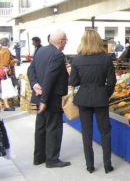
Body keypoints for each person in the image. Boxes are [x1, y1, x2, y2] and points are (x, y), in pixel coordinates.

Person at [69, 29, 116, 174]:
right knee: (105, 132)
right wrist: (104, 93)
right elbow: (112, 82)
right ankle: (107, 165)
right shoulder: (106, 58)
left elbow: (73, 81)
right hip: (101, 97)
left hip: (83, 98)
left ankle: (90, 165)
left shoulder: (77, 59)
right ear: (98, 41)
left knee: (86, 133)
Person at [27, 30, 70, 168]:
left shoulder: (40, 51)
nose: (66, 43)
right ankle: (52, 159)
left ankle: (39, 157)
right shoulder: (58, 54)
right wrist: (45, 100)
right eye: (66, 40)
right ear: (61, 41)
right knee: (53, 128)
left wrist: (34, 84)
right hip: (51, 99)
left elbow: (30, 70)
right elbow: (51, 77)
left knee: (40, 127)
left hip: (40, 96)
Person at [0, 38, 17, 111]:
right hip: (4, 72)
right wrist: (14, 60)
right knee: (5, 88)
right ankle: (7, 106)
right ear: (7, 43)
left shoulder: (1, 51)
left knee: (2, 88)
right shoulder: (6, 51)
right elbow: (6, 63)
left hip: (1, 72)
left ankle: (5, 105)